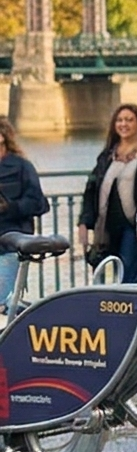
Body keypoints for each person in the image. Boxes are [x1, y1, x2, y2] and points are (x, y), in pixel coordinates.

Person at [78, 103, 137, 281]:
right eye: (119, 120)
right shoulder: (107, 155)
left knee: (126, 277)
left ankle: (127, 308)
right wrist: (84, 222)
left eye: (129, 120)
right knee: (100, 277)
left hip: (133, 227)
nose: (123, 124)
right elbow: (91, 190)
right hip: (106, 229)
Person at [0, 115, 52, 313]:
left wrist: (9, 208)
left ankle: (31, 315)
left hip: (10, 243)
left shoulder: (21, 166)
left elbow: (38, 203)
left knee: (1, 299)